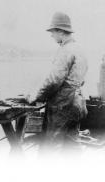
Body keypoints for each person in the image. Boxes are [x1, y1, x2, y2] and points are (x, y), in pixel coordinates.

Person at [25, 12, 88, 155]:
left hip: (62, 107)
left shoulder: (65, 51)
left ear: (60, 31)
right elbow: (81, 80)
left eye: (53, 31)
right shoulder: (79, 49)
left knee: (51, 149)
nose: (51, 35)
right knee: (72, 146)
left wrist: (35, 96)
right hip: (77, 105)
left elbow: (53, 81)